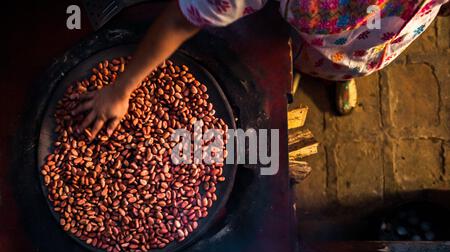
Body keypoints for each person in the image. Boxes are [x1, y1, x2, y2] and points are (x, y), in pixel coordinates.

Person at [73, 0, 449, 139]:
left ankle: (340, 74)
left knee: (349, 66)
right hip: (310, 36)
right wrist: (120, 90)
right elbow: (179, 22)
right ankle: (299, 67)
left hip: (382, 41)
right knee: (300, 56)